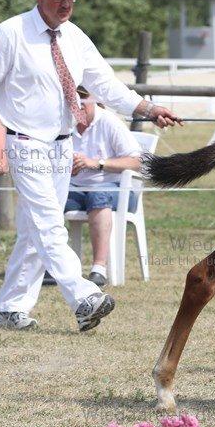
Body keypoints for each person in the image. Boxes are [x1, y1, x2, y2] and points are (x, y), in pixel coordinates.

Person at [0, 0, 181, 332]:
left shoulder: (75, 38)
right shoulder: (10, 33)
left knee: (35, 229)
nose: (67, 3)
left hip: (62, 146)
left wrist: (147, 108)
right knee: (50, 225)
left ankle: (11, 307)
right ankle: (84, 297)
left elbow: (106, 84)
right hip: (24, 142)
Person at [55, 85, 143, 287]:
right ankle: (53, 267)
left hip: (116, 189)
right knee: (47, 201)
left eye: (83, 99)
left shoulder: (110, 122)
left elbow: (139, 162)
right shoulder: (62, 124)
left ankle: (99, 268)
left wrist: (98, 163)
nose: (78, 104)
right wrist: (66, 169)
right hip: (74, 188)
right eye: (73, 100)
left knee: (98, 195)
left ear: (94, 99)